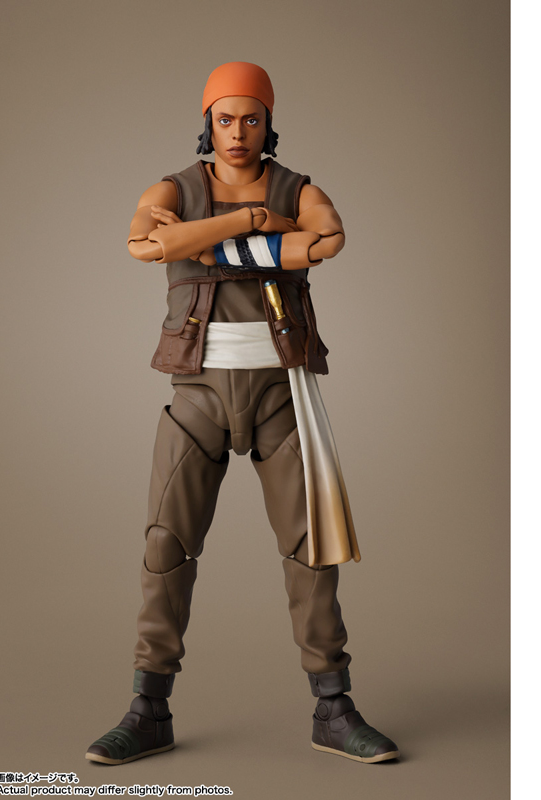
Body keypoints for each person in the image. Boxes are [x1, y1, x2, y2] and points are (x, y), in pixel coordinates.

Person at [86, 62, 400, 765]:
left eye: (251, 118)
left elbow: (325, 241)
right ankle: (147, 710)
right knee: (165, 548)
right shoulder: (173, 189)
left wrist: (200, 241)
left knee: (312, 550)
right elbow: (145, 245)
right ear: (208, 122)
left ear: (268, 122)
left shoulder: (300, 188)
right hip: (197, 395)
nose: (237, 132)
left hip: (280, 393)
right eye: (225, 119)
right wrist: (255, 225)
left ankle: (334, 709)